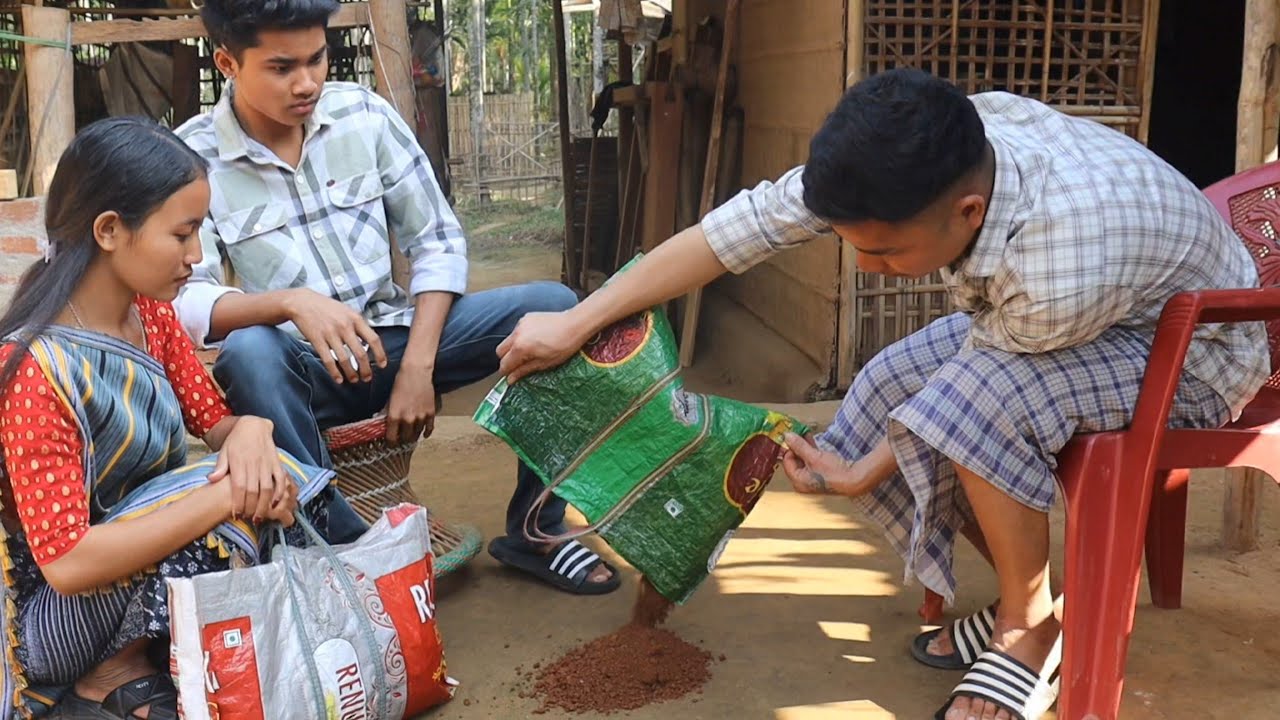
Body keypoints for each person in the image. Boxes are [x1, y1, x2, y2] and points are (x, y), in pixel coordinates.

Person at [496, 69, 1270, 719]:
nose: (865, 267)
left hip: (1195, 347)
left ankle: (1031, 626)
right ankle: (1018, 592)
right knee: (885, 382)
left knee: (978, 407)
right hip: (1114, 302)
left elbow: (973, 388)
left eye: (885, 249)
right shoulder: (916, 157)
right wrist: (578, 321)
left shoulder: (1058, 267)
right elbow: (733, 233)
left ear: (967, 213)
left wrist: (864, 470)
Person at [172, 0, 618, 595]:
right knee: (250, 351)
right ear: (227, 62)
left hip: (399, 338)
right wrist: (289, 303)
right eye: (282, 68)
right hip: (300, 372)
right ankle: (339, 553)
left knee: (561, 308)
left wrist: (418, 366)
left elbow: (436, 243)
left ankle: (538, 530)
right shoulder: (189, 158)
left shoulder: (364, 115)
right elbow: (185, 299)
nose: (307, 83)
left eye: (317, 59)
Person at [0, 118, 332, 720]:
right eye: (182, 234)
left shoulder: (151, 318)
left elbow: (216, 421)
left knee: (256, 477)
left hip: (135, 573)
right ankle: (110, 679)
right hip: (57, 623)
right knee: (226, 502)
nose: (197, 255)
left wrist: (253, 433)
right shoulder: (35, 371)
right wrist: (226, 496)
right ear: (109, 231)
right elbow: (67, 564)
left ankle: (153, 660)